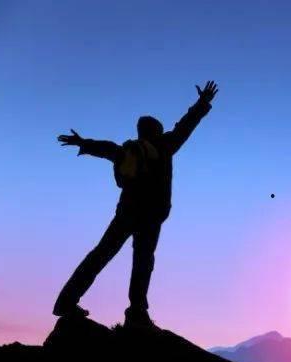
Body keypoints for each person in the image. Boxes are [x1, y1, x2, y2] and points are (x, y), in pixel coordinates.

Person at [53, 81, 219, 328]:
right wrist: (202, 102)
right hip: (151, 215)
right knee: (143, 262)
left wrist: (83, 142)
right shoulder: (165, 146)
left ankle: (66, 302)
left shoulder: (127, 150)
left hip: (127, 212)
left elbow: (107, 148)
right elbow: (186, 125)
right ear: (157, 131)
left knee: (100, 254)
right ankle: (137, 312)